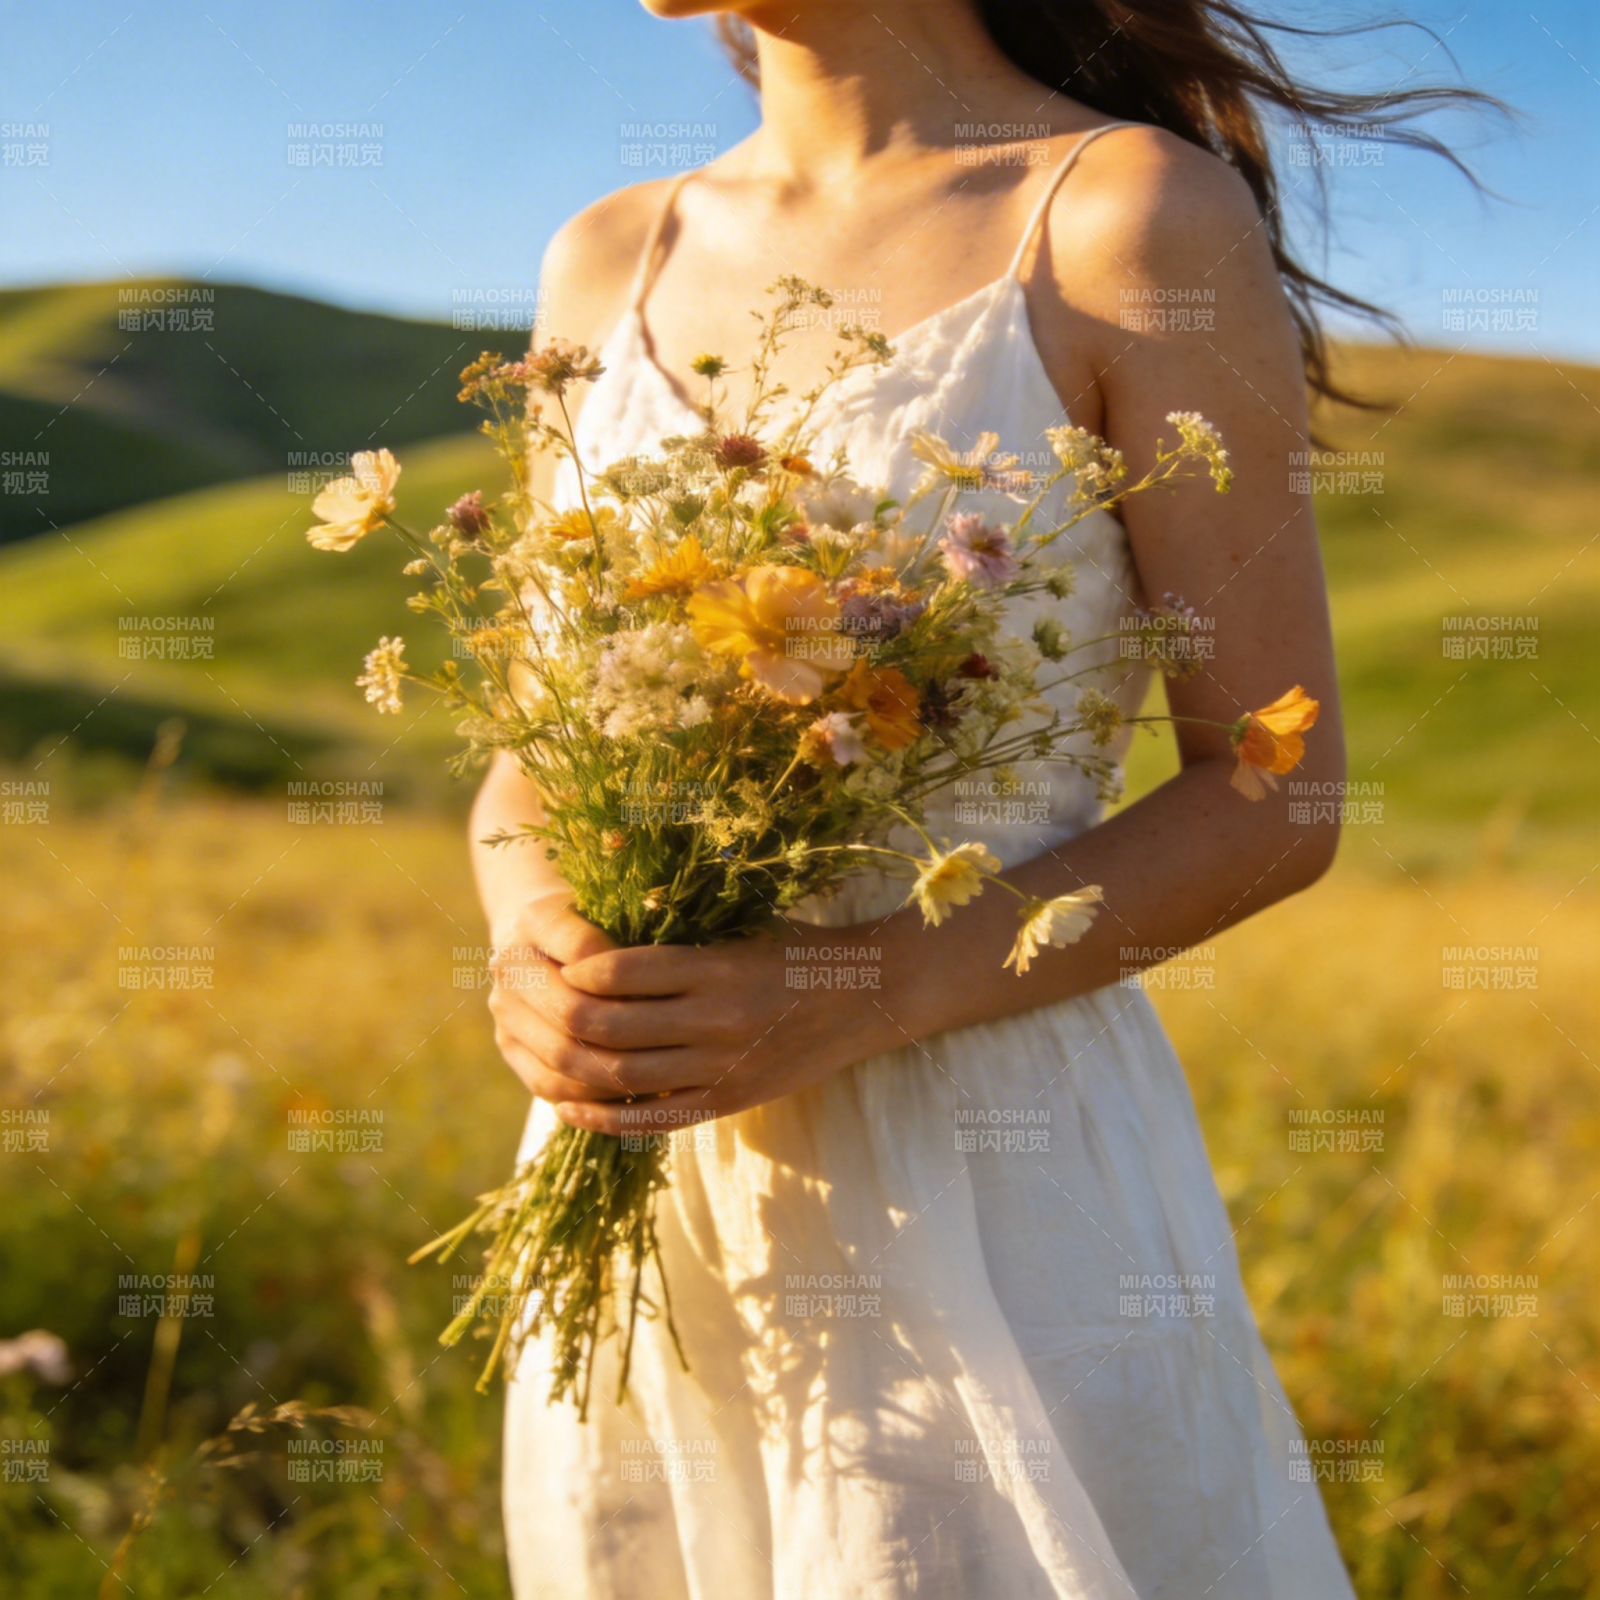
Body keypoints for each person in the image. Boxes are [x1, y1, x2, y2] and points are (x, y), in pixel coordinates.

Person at [475, 3, 1477, 1594]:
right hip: (661, 1164)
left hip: (988, 1159)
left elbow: (1272, 791)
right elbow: (530, 751)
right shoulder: (605, 254)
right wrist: (539, 957)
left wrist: (847, 997)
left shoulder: (1123, 214)